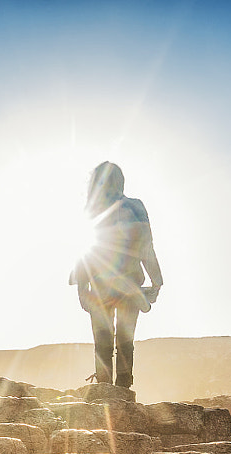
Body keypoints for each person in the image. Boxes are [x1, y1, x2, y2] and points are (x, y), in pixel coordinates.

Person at [70, 161, 163, 389]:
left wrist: (82, 289)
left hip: (104, 287)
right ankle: (121, 390)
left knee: (106, 342)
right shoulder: (134, 206)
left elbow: (84, 251)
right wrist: (156, 280)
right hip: (128, 285)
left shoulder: (93, 210)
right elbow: (146, 246)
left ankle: (107, 391)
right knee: (124, 341)